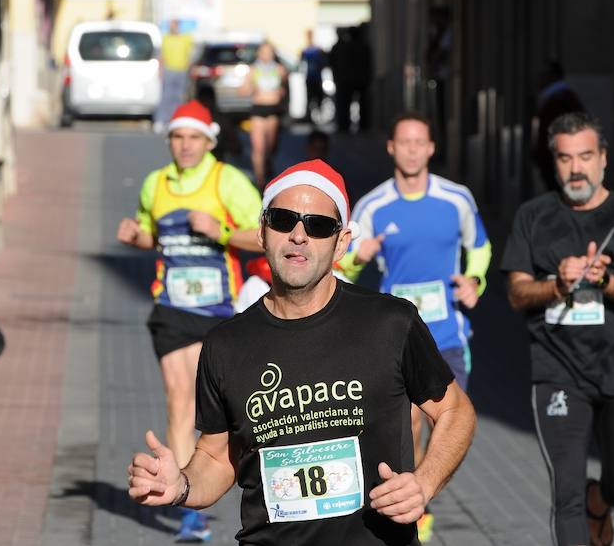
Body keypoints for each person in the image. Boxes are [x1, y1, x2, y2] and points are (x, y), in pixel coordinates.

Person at [128, 159, 476, 546]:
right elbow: (216, 457)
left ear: (342, 242)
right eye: (282, 219)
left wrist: (424, 483)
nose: (298, 235)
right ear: (262, 232)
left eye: (318, 225)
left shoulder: (391, 321)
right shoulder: (226, 343)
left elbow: (455, 411)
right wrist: (181, 486)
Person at [500, 112, 614, 546]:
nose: (576, 168)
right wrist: (557, 284)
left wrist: (603, 280)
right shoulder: (533, 217)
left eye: (586, 156)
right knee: (566, 494)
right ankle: (585, 503)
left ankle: (603, 499)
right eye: (565, 158)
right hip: (558, 370)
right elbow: (518, 295)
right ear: (553, 162)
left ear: (604, 159)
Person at [337, 112, 491, 541]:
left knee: (447, 422)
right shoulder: (373, 205)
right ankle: (414, 505)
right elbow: (339, 262)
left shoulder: (455, 199)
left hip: (446, 334)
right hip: (398, 337)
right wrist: (359, 256)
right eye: (402, 142)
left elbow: (479, 246)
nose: (410, 149)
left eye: (418, 142)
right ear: (391, 147)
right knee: (411, 421)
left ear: (430, 149)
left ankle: (418, 488)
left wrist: (475, 280)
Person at [116, 99, 262, 541]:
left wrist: (217, 230)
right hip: (172, 309)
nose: (185, 145)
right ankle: (186, 505)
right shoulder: (154, 184)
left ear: (209, 141)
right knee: (180, 400)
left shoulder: (228, 180)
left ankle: (231, 481)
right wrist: (136, 236)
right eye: (178, 137)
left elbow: (264, 235)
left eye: (194, 137)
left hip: (220, 311)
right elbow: (151, 234)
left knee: (218, 409)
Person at [532, 61, 584, 195]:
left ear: (552, 77)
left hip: (556, 155)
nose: (540, 79)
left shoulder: (560, 99)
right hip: (551, 155)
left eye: (544, 75)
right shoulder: (551, 98)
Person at [241, 41, 286, 188]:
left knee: (271, 146)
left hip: (273, 110)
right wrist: (249, 89)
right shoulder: (253, 70)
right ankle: (260, 181)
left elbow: (285, 88)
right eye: (264, 52)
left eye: (269, 52)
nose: (266, 55)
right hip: (258, 110)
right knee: (258, 147)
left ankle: (267, 165)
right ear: (259, 54)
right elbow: (242, 90)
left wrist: (282, 93)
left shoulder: (279, 70)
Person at [155, 19, 195, 133]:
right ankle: (161, 120)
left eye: (174, 24)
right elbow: (161, 55)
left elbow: (190, 54)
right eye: (170, 24)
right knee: (166, 96)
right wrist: (160, 69)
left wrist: (190, 66)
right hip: (169, 70)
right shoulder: (166, 38)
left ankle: (175, 120)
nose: (172, 26)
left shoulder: (186, 38)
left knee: (178, 97)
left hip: (182, 71)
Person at [299, 29, 327, 122]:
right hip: (311, 77)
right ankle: (310, 116)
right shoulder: (306, 50)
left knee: (318, 97)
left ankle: (318, 116)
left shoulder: (316, 50)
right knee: (311, 98)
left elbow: (323, 63)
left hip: (316, 77)